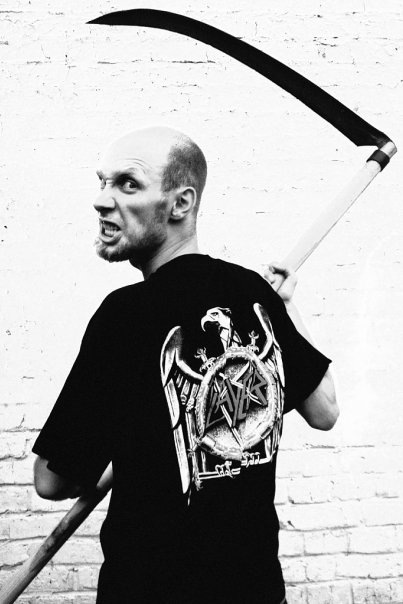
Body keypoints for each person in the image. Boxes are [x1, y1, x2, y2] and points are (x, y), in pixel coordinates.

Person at [33, 126, 339, 604]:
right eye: (102, 181)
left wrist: (122, 441)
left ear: (181, 203)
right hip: (257, 589)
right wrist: (284, 307)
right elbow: (325, 410)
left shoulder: (125, 316)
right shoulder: (254, 295)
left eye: (127, 184)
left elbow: (52, 481)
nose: (101, 200)